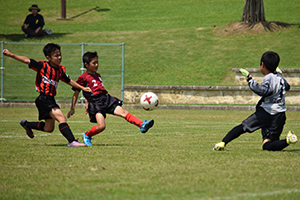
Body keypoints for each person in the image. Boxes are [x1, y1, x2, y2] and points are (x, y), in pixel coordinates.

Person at [2, 43, 92, 147]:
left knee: (49, 128)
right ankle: (72, 141)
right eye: (56, 56)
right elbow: (27, 60)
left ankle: (26, 124)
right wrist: (11, 55)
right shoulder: (43, 66)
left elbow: (68, 81)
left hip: (50, 99)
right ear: (48, 57)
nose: (59, 57)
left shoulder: (60, 69)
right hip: (44, 99)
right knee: (61, 118)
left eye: (60, 55)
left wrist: (82, 88)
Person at [213, 51, 298, 151]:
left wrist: (250, 80)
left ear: (262, 65)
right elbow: (287, 87)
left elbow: (263, 91)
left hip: (266, 113)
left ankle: (223, 142)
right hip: (280, 115)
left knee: (243, 127)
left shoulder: (269, 77)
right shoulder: (280, 78)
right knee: (268, 144)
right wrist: (279, 75)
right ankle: (287, 140)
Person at [67, 51, 154, 146]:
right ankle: (87, 135)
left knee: (123, 112)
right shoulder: (83, 77)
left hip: (106, 99)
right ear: (86, 64)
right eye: (94, 63)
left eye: (97, 62)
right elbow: (76, 93)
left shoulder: (98, 75)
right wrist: (72, 108)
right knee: (101, 126)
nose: (97, 65)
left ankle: (142, 125)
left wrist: (87, 101)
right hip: (96, 103)